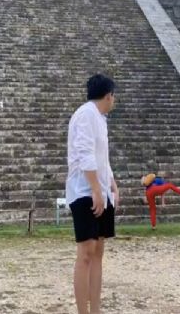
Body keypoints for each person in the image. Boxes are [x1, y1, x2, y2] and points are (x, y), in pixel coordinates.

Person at [66, 73, 119, 314]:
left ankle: (95, 309)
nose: (114, 101)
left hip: (100, 190)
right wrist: (96, 190)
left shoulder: (100, 118)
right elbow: (84, 153)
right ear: (108, 95)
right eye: (113, 96)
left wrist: (111, 183)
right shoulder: (86, 114)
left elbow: (101, 157)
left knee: (98, 252)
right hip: (84, 190)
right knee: (86, 253)